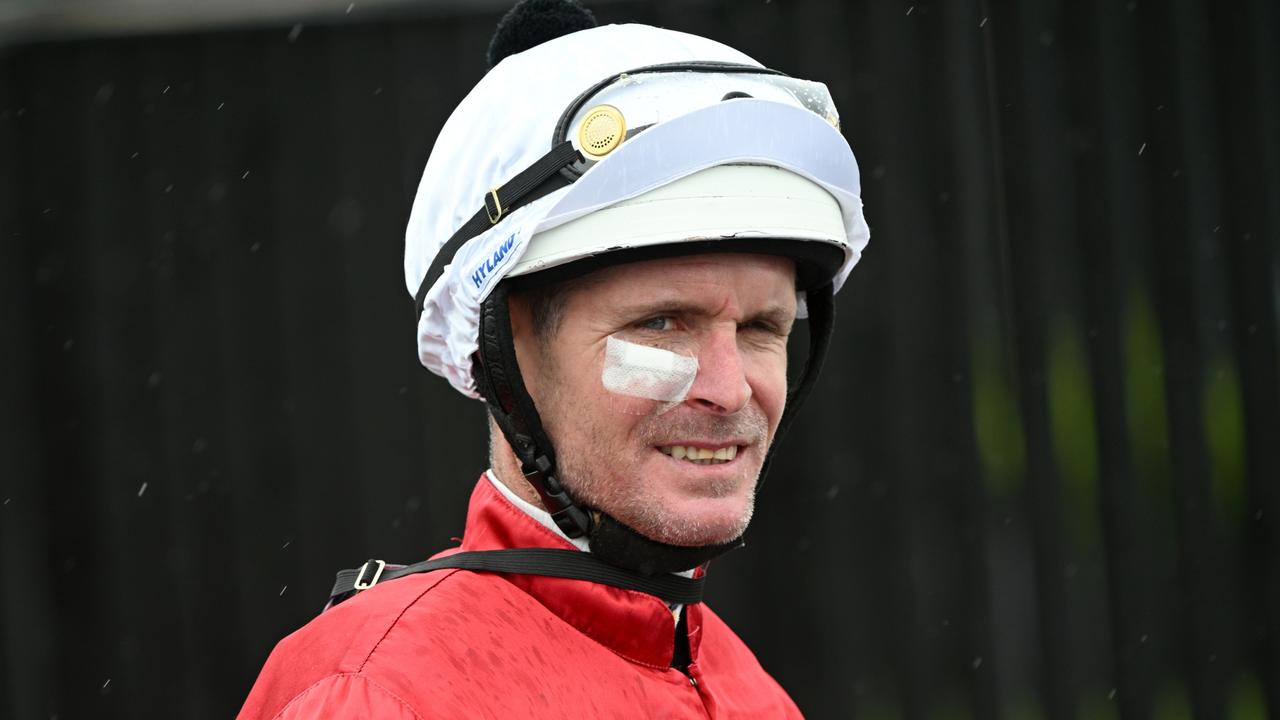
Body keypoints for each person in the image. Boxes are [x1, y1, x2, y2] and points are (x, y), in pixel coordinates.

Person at [238, 1, 870, 717]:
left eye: (761, 327)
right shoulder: (379, 693)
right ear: (507, 350)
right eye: (663, 324)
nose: (729, 390)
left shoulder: (756, 696)